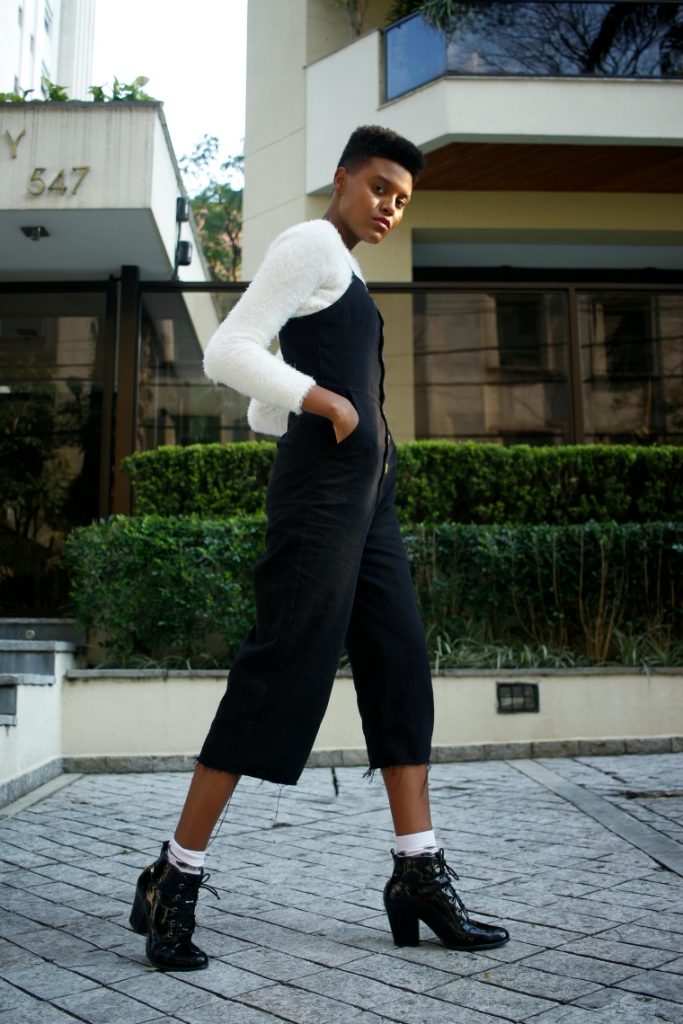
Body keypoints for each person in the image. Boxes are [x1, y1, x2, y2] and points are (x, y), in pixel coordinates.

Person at [129, 125, 509, 971]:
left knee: (400, 665)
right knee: (282, 668)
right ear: (340, 179)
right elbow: (226, 349)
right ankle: (173, 876)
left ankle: (417, 872)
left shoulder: (345, 267)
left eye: (402, 199)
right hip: (322, 499)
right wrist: (329, 407)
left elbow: (269, 404)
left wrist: (308, 405)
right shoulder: (309, 242)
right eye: (379, 187)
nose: (389, 207)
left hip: (370, 504)